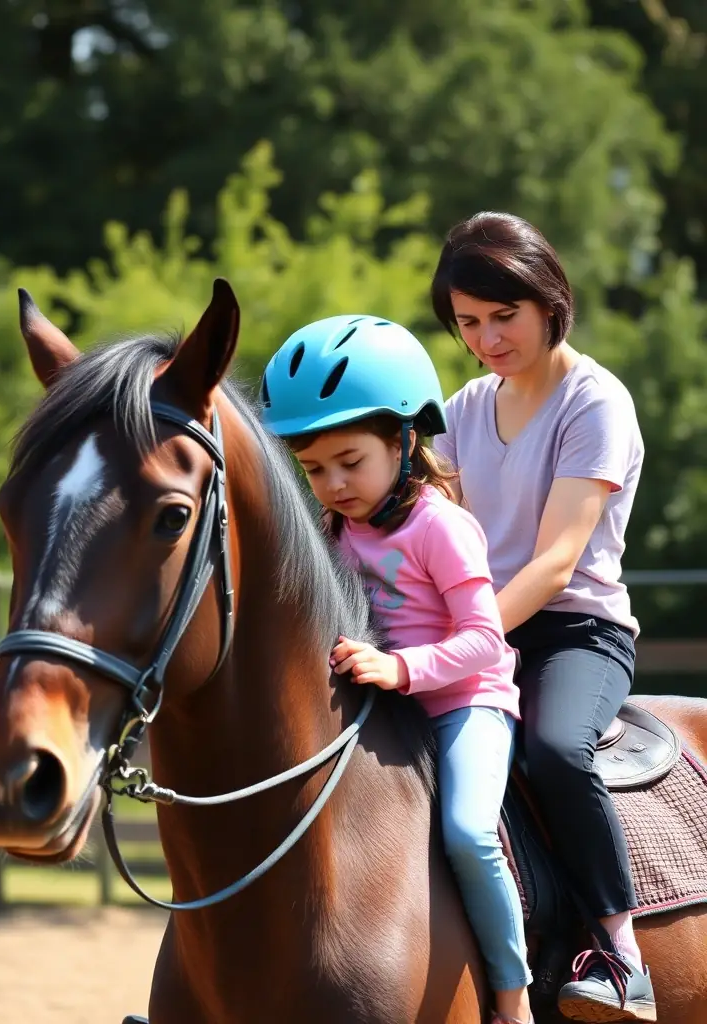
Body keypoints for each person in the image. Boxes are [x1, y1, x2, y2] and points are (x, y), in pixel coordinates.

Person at [261, 315, 533, 1024]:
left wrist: (399, 666)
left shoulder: (440, 526)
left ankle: (511, 991)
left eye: (350, 460)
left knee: (470, 832)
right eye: (314, 469)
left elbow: (485, 639)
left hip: (464, 705)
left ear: (405, 439)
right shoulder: (333, 534)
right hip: (383, 707)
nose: (333, 483)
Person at [430, 211, 654, 1023]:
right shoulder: (458, 410)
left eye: (503, 317)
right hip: (473, 631)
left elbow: (557, 560)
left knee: (556, 751)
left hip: (572, 630)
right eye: (469, 324)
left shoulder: (596, 401)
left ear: (549, 299)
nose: (487, 339)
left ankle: (619, 952)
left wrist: (463, 642)